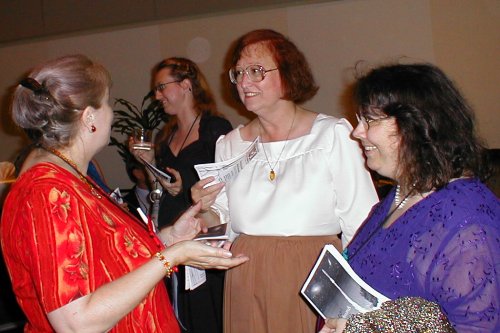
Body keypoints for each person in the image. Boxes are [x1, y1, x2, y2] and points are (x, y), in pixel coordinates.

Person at [0, 54, 248, 333]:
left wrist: (169, 238)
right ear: (89, 117)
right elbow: (76, 322)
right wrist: (173, 256)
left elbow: (110, 259)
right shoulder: (47, 192)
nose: (111, 113)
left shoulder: (70, 177)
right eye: (106, 103)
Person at [191, 29, 379, 333]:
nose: (244, 82)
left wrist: (348, 304)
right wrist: (204, 209)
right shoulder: (229, 144)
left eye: (256, 71)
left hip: (315, 276)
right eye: (238, 73)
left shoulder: (332, 135)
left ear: (289, 74)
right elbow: (222, 222)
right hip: (247, 275)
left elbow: (362, 224)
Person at [320, 63, 500, 333]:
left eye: (369, 120)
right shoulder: (402, 194)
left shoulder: (467, 224)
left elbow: (477, 326)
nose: (357, 132)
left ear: (416, 125)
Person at [131, 57, 233, 333]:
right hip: (171, 232)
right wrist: (148, 162)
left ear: (186, 85)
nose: (157, 96)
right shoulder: (167, 135)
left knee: (206, 313)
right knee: (179, 312)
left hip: (202, 232)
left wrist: (186, 187)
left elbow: (228, 182)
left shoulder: (215, 129)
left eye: (162, 87)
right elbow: (157, 189)